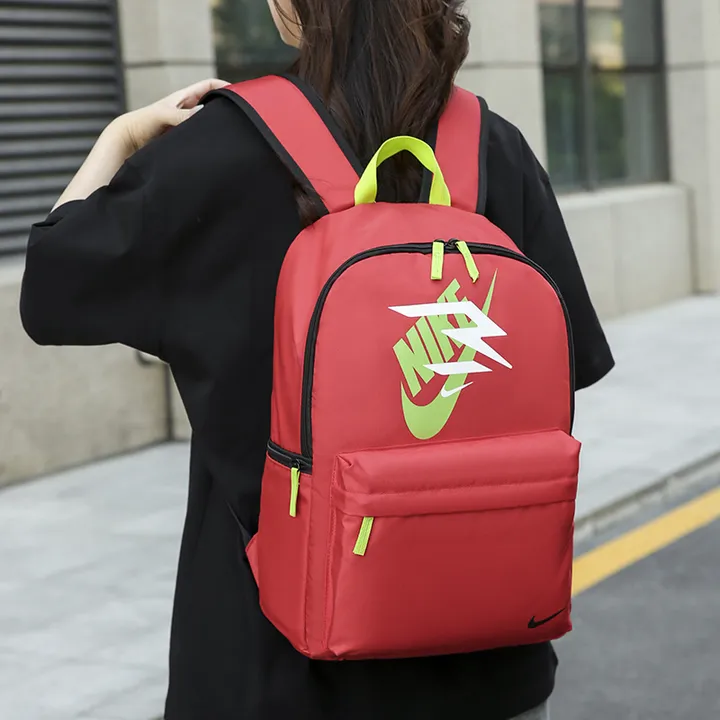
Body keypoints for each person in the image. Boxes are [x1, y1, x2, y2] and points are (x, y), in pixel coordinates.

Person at [20, 1, 614, 719]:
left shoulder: (220, 149)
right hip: (489, 669)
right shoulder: (493, 146)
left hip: (275, 673)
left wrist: (119, 136)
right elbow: (570, 365)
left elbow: (49, 293)